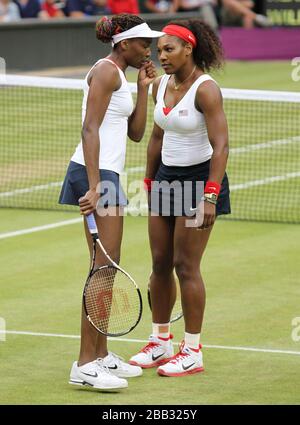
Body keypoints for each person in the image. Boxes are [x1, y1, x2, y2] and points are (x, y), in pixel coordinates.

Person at [59, 14, 164, 390]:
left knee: (108, 267)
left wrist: (143, 88)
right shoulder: (105, 72)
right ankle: (85, 364)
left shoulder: (122, 76)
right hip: (95, 175)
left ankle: (101, 354)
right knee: (102, 270)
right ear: (124, 45)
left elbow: (136, 133)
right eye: (143, 45)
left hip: (108, 175)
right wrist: (92, 187)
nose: (148, 51)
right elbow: (89, 127)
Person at [129, 19, 230, 377]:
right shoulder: (160, 85)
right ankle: (160, 342)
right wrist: (148, 178)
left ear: (189, 48)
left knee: (186, 267)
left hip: (200, 182)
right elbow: (156, 137)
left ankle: (192, 350)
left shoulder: (206, 89)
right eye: (159, 51)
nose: (162, 56)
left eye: (169, 49)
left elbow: (221, 146)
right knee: (159, 263)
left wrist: (210, 196)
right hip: (166, 181)